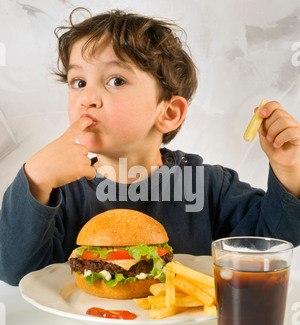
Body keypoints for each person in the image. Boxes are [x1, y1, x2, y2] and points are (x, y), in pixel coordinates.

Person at [0, 8, 299, 286]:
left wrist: (289, 170)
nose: (87, 98)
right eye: (78, 82)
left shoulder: (210, 187)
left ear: (168, 113)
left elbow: (272, 245)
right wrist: (35, 180)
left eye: (116, 80)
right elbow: (17, 273)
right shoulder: (60, 194)